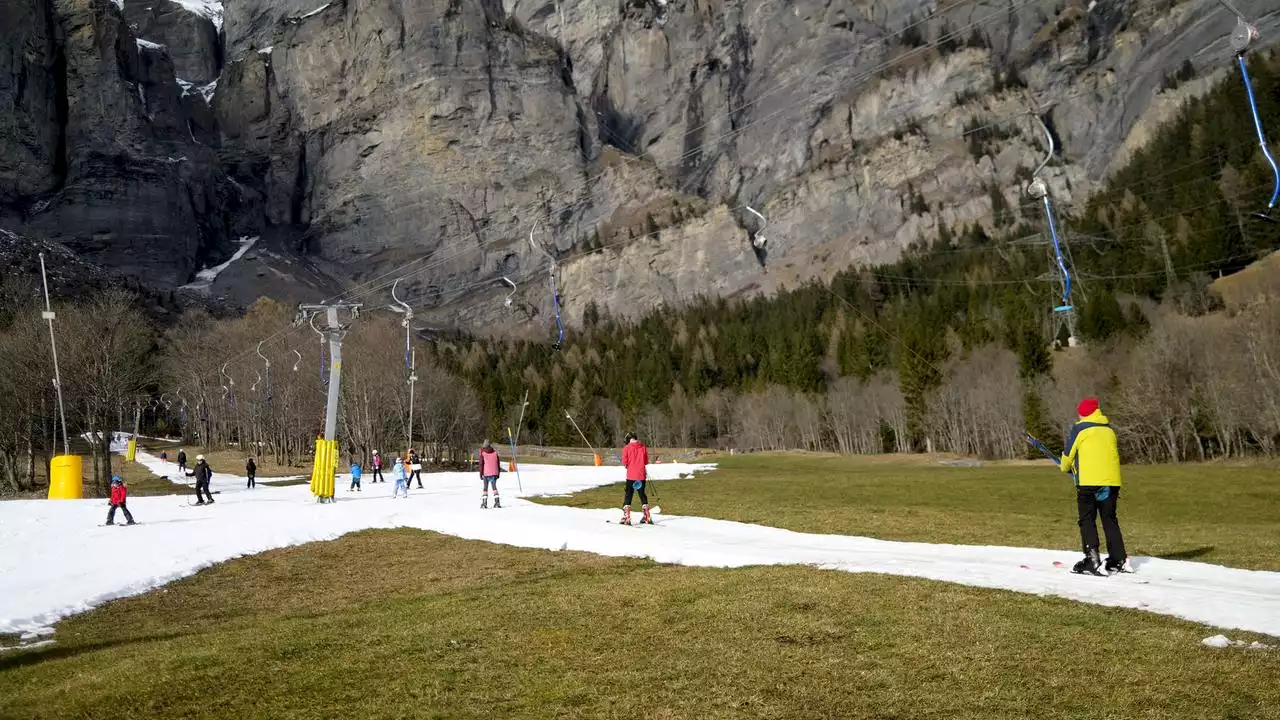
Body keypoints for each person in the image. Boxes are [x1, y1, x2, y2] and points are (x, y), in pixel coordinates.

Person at [1062, 397, 1129, 575]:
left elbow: (1068, 456)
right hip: (1111, 483)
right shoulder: (1109, 430)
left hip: (1088, 483)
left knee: (1087, 519)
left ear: (1082, 413)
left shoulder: (1080, 429)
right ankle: (1118, 559)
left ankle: (1092, 559)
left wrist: (1064, 467)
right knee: (1109, 519)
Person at [619, 431, 652, 525]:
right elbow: (645, 461)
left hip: (631, 476)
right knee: (642, 495)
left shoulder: (626, 448)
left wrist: (627, 464)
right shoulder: (643, 447)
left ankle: (626, 517)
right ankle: (647, 516)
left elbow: (625, 462)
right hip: (641, 475)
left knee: (628, 495)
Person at [479, 440, 501, 509]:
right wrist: (498, 473)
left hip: (486, 473)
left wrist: (481, 474)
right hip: (494, 473)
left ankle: (484, 503)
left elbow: (481, 464)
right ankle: (497, 502)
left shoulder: (483, 453)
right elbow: (498, 464)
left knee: (485, 488)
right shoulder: (495, 453)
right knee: (494, 487)